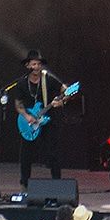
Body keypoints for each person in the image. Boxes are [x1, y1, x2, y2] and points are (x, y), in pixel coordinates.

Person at [12, 56, 69, 190]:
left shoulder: (48, 79)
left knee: (53, 153)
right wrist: (27, 116)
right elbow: (18, 103)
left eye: (38, 64)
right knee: (26, 154)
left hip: (48, 120)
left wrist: (62, 101)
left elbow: (65, 89)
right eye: (33, 64)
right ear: (27, 66)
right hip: (29, 122)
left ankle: (57, 184)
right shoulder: (22, 83)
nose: (36, 67)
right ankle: (24, 184)